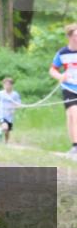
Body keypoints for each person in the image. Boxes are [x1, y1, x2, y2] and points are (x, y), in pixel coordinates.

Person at [49, 23, 77, 155]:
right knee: (73, 114)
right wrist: (60, 76)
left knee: (71, 117)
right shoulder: (62, 53)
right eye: (76, 35)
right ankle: (75, 147)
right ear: (70, 37)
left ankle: (74, 146)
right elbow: (52, 70)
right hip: (69, 88)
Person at [0, 77, 21, 143]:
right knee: (4, 127)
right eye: (5, 84)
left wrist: (15, 107)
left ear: (12, 85)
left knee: (7, 131)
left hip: (10, 115)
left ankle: (6, 143)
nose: (7, 86)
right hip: (1, 114)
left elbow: (18, 104)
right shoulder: (0, 93)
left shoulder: (15, 94)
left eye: (8, 84)